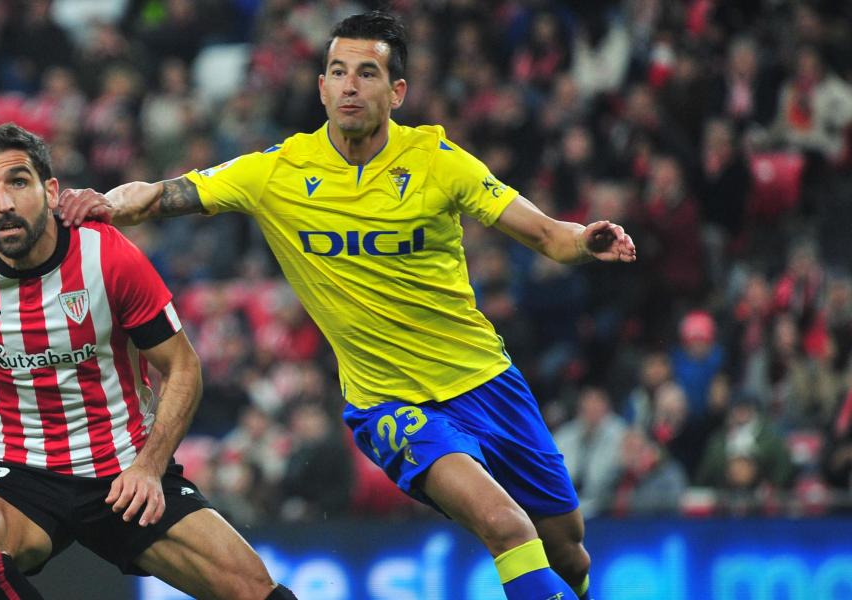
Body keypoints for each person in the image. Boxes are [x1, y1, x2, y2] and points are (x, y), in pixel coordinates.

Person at [59, 12, 637, 600]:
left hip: (487, 380)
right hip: (391, 402)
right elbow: (162, 194)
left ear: (397, 91)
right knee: (506, 526)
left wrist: (585, 240)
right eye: (337, 72)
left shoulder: (439, 162)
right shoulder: (276, 172)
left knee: (565, 544)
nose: (350, 85)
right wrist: (107, 202)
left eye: (367, 72)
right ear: (321, 87)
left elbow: (545, 234)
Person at [0, 124, 294, 600]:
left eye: (18, 182)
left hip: (122, 468)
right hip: (17, 472)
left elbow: (183, 367)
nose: (4, 202)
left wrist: (149, 466)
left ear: (51, 190)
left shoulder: (108, 257)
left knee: (252, 589)